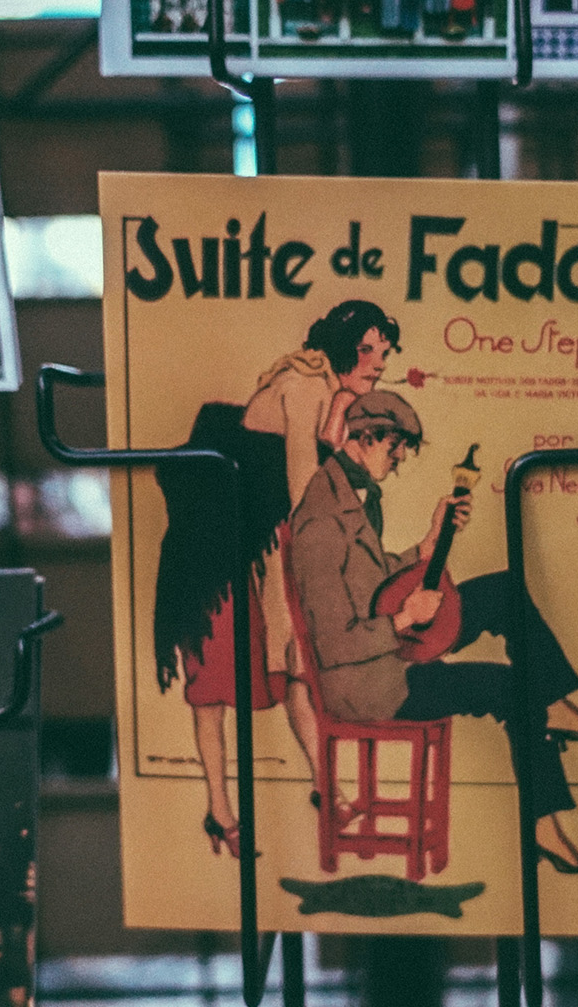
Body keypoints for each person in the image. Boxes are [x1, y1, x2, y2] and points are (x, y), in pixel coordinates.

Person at [286, 389, 578, 874]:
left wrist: (428, 544)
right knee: (511, 688)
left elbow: (367, 580)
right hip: (371, 684)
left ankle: (552, 703)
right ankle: (543, 822)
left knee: (503, 591)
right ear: (368, 436)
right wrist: (404, 619)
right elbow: (331, 643)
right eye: (396, 446)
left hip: (387, 650)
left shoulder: (345, 495)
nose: (400, 458)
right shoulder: (320, 520)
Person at [155, 300, 399, 857]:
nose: (378, 363)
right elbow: (303, 482)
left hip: (261, 541)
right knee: (213, 681)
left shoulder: (332, 392)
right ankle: (220, 809)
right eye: (367, 350)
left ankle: (325, 787)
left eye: (383, 352)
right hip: (217, 552)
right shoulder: (304, 385)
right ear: (340, 348)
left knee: (296, 663)